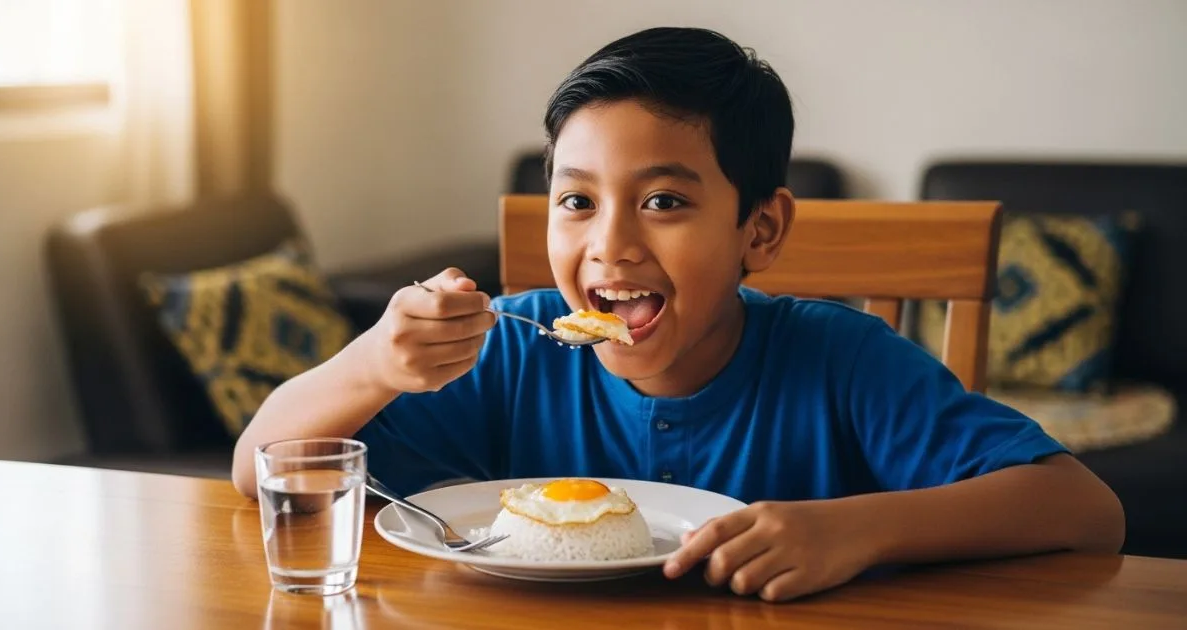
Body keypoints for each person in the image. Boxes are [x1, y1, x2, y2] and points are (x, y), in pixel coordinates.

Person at [233, 26, 1124, 602]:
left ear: (760, 228)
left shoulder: (840, 359)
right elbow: (260, 468)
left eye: (663, 202)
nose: (609, 247)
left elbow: (1085, 511)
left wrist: (857, 526)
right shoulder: (514, 348)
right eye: (575, 202)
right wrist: (373, 365)